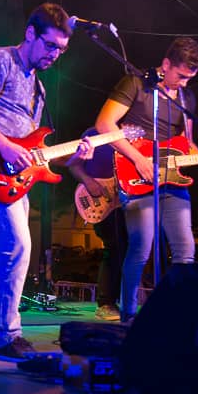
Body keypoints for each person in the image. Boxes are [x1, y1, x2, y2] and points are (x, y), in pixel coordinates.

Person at [0, 3, 94, 362]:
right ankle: (8, 336)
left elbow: (34, 150)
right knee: (16, 246)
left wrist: (75, 154)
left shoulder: (39, 89)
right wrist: (3, 146)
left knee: (6, 249)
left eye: (61, 50)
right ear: (30, 34)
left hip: (14, 176)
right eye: (50, 46)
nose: (55, 55)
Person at [94, 36, 198, 324]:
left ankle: (176, 315)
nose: (185, 83)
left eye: (191, 77)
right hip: (136, 175)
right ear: (166, 65)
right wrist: (138, 159)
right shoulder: (136, 84)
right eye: (181, 75)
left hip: (172, 181)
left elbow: (188, 144)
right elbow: (104, 124)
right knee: (142, 246)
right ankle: (128, 315)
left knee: (185, 250)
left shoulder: (187, 97)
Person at [67, 126, 127, 321]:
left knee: (132, 248)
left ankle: (125, 301)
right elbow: (73, 165)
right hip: (100, 201)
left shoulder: (136, 134)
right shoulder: (94, 134)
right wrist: (89, 181)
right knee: (115, 247)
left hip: (127, 200)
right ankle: (106, 303)